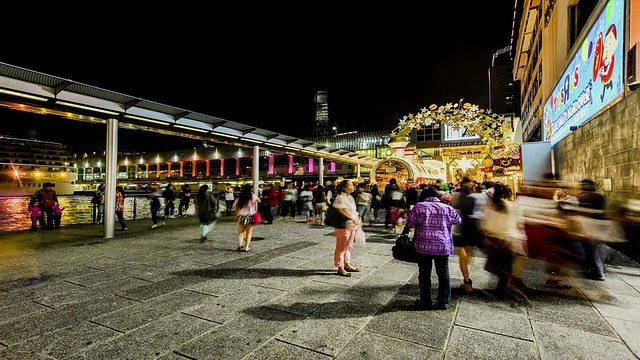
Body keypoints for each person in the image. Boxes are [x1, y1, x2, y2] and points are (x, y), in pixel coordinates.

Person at [407, 186, 461, 310]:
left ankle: (425, 300)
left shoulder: (419, 207)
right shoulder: (447, 208)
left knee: (425, 273)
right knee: (444, 273)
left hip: (423, 245)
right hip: (443, 245)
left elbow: (410, 223)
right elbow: (458, 220)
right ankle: (443, 302)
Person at [480, 183, 529, 297]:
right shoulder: (515, 206)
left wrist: (486, 236)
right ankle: (503, 289)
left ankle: (511, 284)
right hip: (514, 239)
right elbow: (520, 222)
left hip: (499, 241)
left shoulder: (493, 207)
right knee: (506, 266)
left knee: (492, 267)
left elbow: (488, 226)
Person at [455, 178, 487, 293]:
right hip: (474, 226)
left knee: (462, 251)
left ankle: (467, 281)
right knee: (468, 251)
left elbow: (454, 209)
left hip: (462, 225)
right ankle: (467, 277)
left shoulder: (457, 196)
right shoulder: (478, 197)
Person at [576, 179, 606, 281]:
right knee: (590, 249)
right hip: (596, 227)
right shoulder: (600, 197)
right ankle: (592, 269)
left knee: (591, 250)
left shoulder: (583, 197)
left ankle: (598, 272)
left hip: (588, 227)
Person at [332, 180, 362, 277]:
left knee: (349, 246)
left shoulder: (351, 197)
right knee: (341, 246)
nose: (353, 187)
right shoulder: (340, 198)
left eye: (353, 185)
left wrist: (357, 218)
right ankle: (340, 267)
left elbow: (353, 211)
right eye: (350, 185)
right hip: (343, 225)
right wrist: (352, 218)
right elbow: (340, 211)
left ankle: (347, 263)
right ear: (344, 187)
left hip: (352, 225)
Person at [235, 184, 260, 252]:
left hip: (241, 216)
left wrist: (236, 216)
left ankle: (240, 245)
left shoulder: (240, 196)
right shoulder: (252, 196)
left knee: (241, 232)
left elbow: (237, 207)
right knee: (249, 233)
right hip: (250, 216)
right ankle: (246, 247)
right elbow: (259, 200)